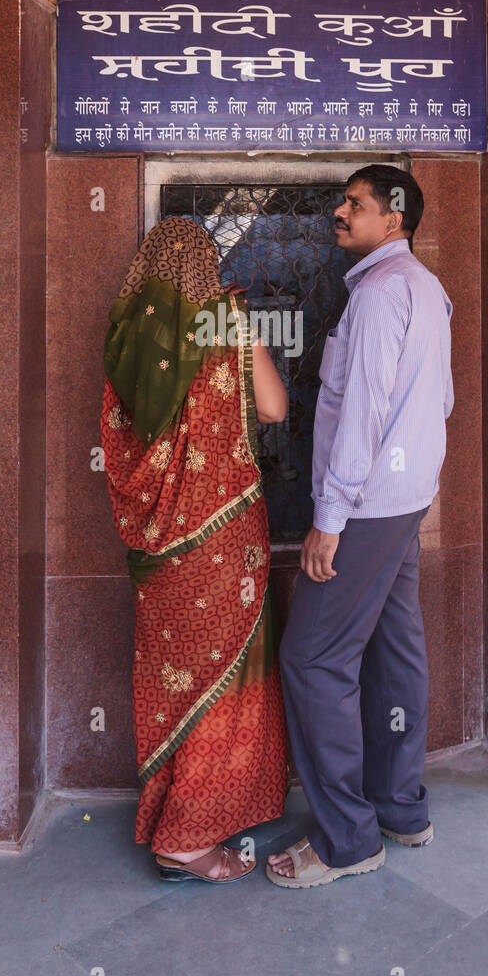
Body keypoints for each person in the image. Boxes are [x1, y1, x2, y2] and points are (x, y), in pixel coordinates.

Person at [267, 164, 454, 889]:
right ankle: (402, 810)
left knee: (313, 659)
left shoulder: (379, 297)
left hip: (368, 506)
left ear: (394, 218)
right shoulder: (425, 289)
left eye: (355, 205)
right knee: (394, 649)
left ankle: (347, 838)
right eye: (343, 202)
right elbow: (437, 404)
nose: (339, 213)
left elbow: (364, 415)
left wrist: (329, 519)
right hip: (406, 498)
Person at [100, 214, 289, 883]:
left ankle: (168, 814)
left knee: (173, 682)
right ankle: (185, 841)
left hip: (158, 550)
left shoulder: (129, 335)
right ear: (205, 266)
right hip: (226, 536)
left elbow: (126, 441)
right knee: (225, 679)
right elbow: (272, 408)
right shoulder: (225, 324)